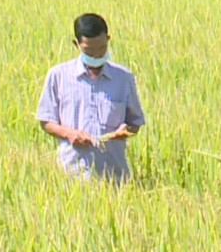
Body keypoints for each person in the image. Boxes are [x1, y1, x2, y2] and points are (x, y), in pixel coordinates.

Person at [36, 13, 146, 182]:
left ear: (108, 40)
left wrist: (125, 130)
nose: (96, 55)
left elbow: (135, 123)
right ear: (76, 44)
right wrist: (69, 133)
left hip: (115, 176)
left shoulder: (123, 78)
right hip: (71, 175)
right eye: (89, 50)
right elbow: (46, 121)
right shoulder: (58, 76)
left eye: (101, 49)